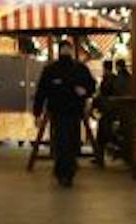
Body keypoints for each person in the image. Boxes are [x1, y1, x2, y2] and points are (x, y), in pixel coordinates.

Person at [33, 40, 96, 186]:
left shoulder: (75, 68)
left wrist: (85, 91)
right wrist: (37, 113)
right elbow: (42, 92)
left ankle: (66, 171)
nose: (66, 52)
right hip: (60, 112)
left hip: (70, 112)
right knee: (62, 142)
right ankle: (64, 172)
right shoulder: (55, 69)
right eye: (65, 49)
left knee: (69, 142)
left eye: (68, 49)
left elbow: (91, 85)